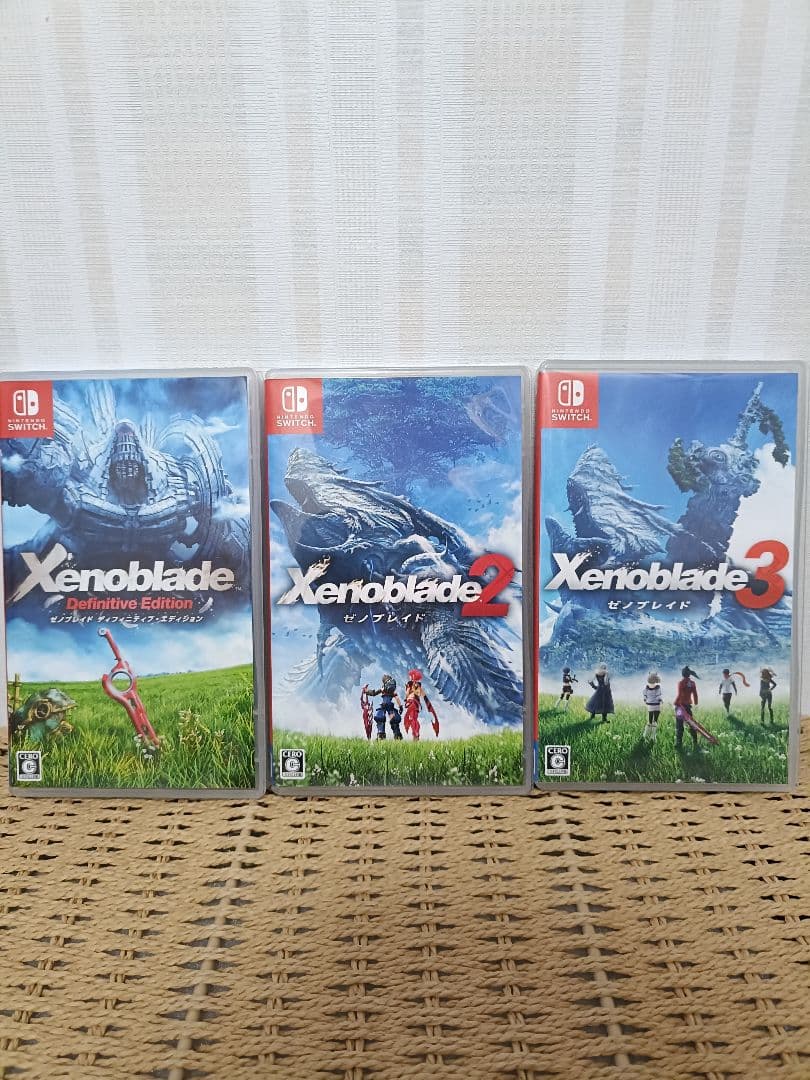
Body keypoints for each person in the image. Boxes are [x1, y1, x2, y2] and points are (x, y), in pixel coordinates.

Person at [366, 674, 403, 740]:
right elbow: (397, 698)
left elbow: (374, 693)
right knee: (391, 719)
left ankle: (382, 734)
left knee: (382, 718)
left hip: (384, 705)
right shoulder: (391, 690)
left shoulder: (383, 688)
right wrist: (400, 707)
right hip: (390, 706)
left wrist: (367, 691)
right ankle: (396, 735)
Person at [674, 666, 700, 749]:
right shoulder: (692, 683)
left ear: (683, 674)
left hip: (680, 707)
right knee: (691, 724)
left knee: (679, 724)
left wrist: (675, 703)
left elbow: (680, 695)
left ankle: (678, 743)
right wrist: (696, 704)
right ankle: (695, 742)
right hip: (688, 707)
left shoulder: (681, 683)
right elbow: (695, 695)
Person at [642, 672, 662, 740]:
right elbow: (658, 696)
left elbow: (644, 695)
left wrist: (645, 699)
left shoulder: (646, 688)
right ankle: (653, 736)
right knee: (655, 721)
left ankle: (645, 734)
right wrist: (660, 699)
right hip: (656, 705)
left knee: (650, 721)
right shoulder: (657, 688)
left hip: (650, 705)